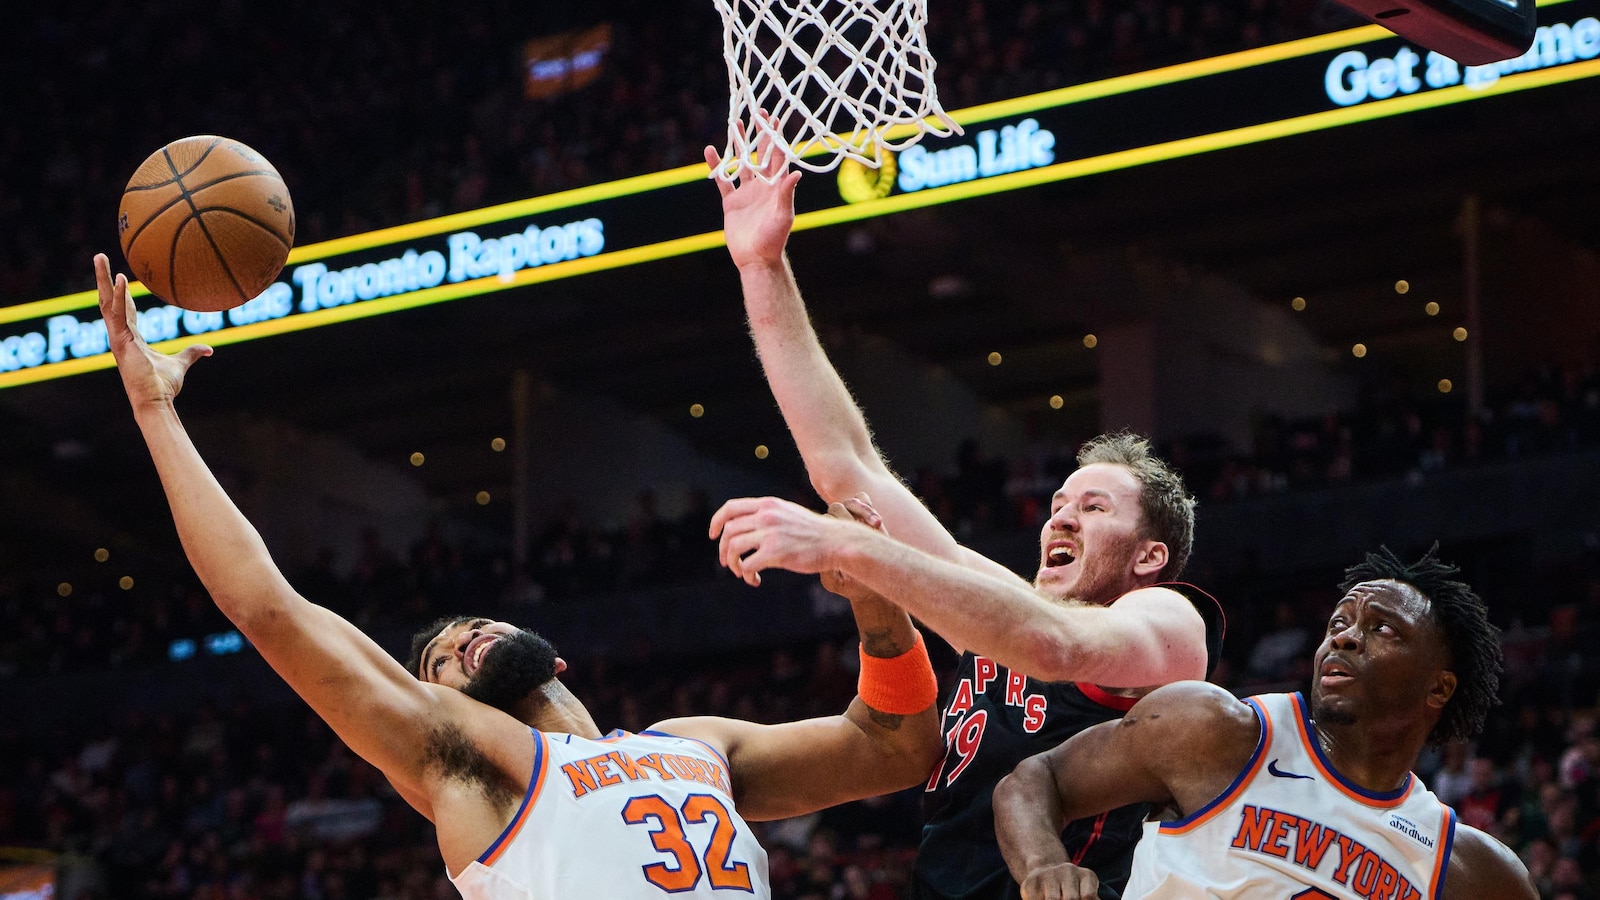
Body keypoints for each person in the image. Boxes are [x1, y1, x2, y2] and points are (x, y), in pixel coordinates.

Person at [91, 253, 944, 899]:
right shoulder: (465, 755)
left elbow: (896, 749)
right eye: (438, 661)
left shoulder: (695, 744)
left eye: (467, 629)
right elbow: (266, 607)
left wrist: (877, 609)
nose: (459, 639)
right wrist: (154, 411)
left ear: (558, 656)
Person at [704, 133, 1223, 899]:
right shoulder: (997, 606)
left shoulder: (1167, 622)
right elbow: (846, 465)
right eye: (1056, 505)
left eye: (1092, 506)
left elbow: (1055, 646)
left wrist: (852, 546)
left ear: (1150, 555)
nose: (1060, 520)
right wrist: (761, 266)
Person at [992, 547, 1536, 899]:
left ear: (1439, 687)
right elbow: (1034, 780)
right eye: (1339, 622)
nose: (1344, 637)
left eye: (1383, 629)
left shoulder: (1471, 872)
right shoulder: (1216, 729)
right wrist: (1043, 864)